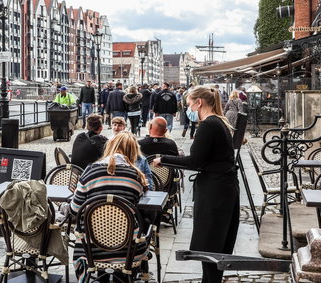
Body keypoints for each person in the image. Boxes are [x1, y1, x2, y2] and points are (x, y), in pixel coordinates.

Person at [152, 86, 239, 283]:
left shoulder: (208, 125)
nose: (188, 108)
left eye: (189, 104)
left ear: (199, 102)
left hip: (215, 191)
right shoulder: (219, 122)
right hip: (222, 187)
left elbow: (195, 162)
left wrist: (163, 159)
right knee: (215, 244)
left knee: (210, 246)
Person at [69, 132, 149, 282]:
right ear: (133, 153)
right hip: (128, 250)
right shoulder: (137, 176)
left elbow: (74, 210)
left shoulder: (90, 171)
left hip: (92, 249)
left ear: (109, 147)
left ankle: (102, 277)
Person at [109, 117, 154, 190]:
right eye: (114, 125)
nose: (116, 128)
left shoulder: (106, 161)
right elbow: (149, 186)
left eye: (119, 125)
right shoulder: (140, 159)